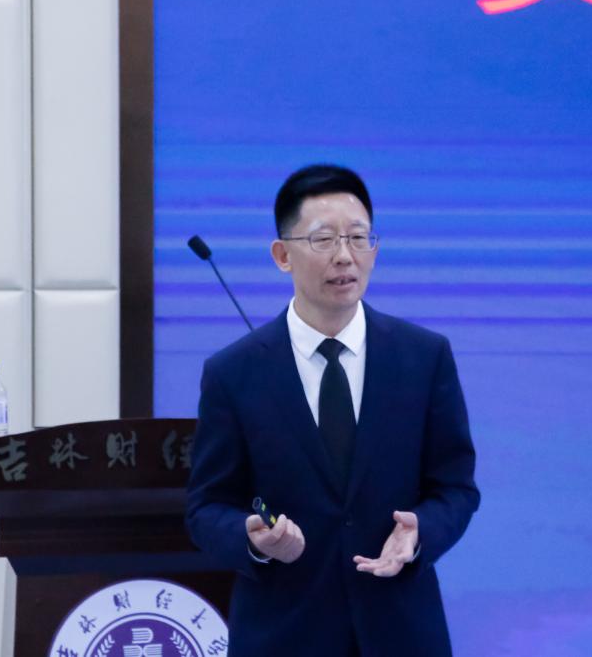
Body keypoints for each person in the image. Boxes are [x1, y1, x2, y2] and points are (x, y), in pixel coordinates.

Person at [185, 164, 479, 656]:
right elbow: (206, 507)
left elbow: (455, 488)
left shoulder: (424, 357)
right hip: (283, 635)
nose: (345, 256)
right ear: (282, 255)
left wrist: (420, 532)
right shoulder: (233, 373)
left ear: (374, 249)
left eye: (358, 238)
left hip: (401, 633)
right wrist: (253, 540)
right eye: (323, 240)